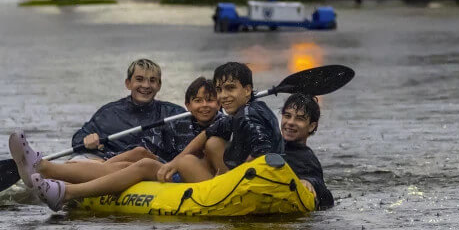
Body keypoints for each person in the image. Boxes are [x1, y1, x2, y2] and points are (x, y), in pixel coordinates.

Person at [10, 78, 221, 210]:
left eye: (210, 101)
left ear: (219, 103)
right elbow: (151, 148)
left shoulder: (222, 123)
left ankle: (55, 178)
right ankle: (46, 170)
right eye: (198, 101)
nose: (204, 106)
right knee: (138, 153)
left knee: (143, 166)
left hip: (192, 178)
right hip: (173, 170)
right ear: (188, 104)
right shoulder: (181, 120)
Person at [156, 61, 284, 183]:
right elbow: (208, 133)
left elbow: (262, 150)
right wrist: (174, 162)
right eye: (219, 90)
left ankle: (217, 193)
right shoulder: (243, 112)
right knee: (213, 142)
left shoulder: (248, 114)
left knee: (186, 162)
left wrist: (233, 179)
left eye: (230, 88)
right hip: (253, 176)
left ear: (247, 90)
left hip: (264, 181)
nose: (223, 95)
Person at [71, 58, 185, 158]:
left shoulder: (175, 113)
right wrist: (87, 140)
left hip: (156, 170)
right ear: (128, 83)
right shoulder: (109, 114)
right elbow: (77, 139)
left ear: (159, 85)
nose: (146, 85)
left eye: (152, 80)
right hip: (112, 168)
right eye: (139, 79)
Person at [279, 93, 334, 210]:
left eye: (299, 119)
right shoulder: (267, 144)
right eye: (287, 116)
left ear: (311, 126)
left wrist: (308, 182)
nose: (290, 122)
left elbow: (317, 180)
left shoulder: (307, 159)